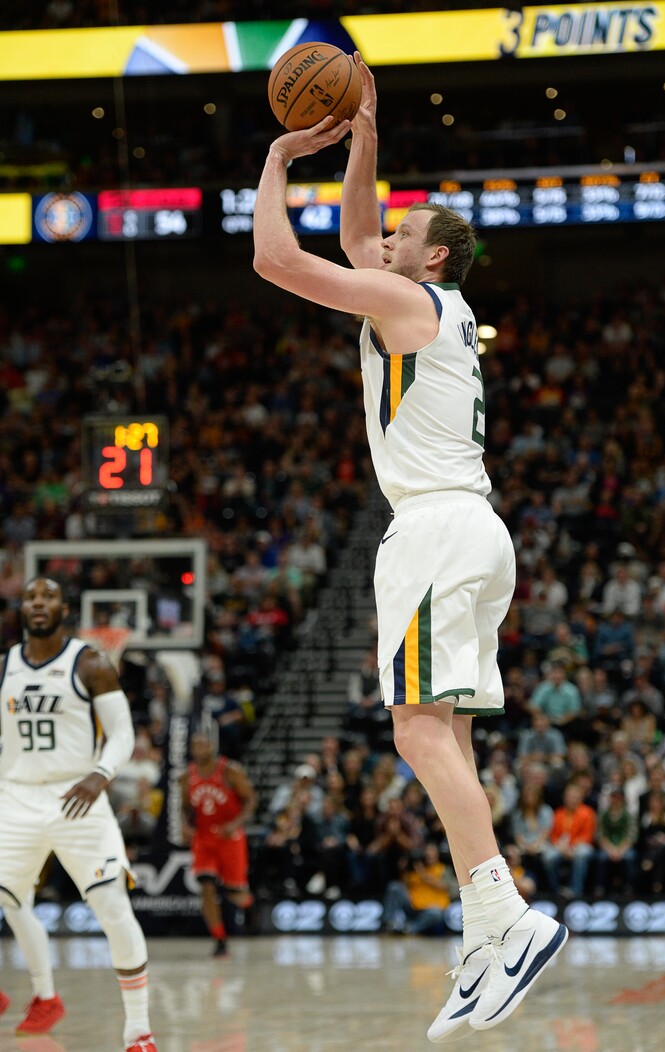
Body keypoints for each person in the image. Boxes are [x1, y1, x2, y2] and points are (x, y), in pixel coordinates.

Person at [253, 53, 567, 1043]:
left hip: (433, 529)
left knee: (414, 733)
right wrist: (363, 135)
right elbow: (352, 233)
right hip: (474, 531)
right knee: (451, 738)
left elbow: (281, 259)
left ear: (428, 258)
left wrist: (273, 158)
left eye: (400, 235)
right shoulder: (440, 307)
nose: (379, 238)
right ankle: (482, 939)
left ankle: (504, 911)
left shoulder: (403, 303)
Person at [0, 577, 157, 1051]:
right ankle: (43, 997)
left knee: (112, 906)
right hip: (17, 798)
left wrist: (100, 775)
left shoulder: (89, 662)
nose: (38, 603)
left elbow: (123, 732)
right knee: (10, 898)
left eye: (48, 596)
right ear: (22, 608)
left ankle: (138, 1031)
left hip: (78, 798)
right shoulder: (5, 665)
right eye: (31, 597)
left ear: (64, 608)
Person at [181, 731, 257, 957]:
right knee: (206, 886)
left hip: (229, 837)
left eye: (203, 745)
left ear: (212, 747)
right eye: (195, 746)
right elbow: (185, 807)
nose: (199, 750)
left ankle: (249, 905)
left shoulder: (229, 770)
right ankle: (219, 938)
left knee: (234, 892)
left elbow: (251, 799)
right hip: (204, 838)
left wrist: (236, 823)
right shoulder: (187, 777)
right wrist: (185, 825)